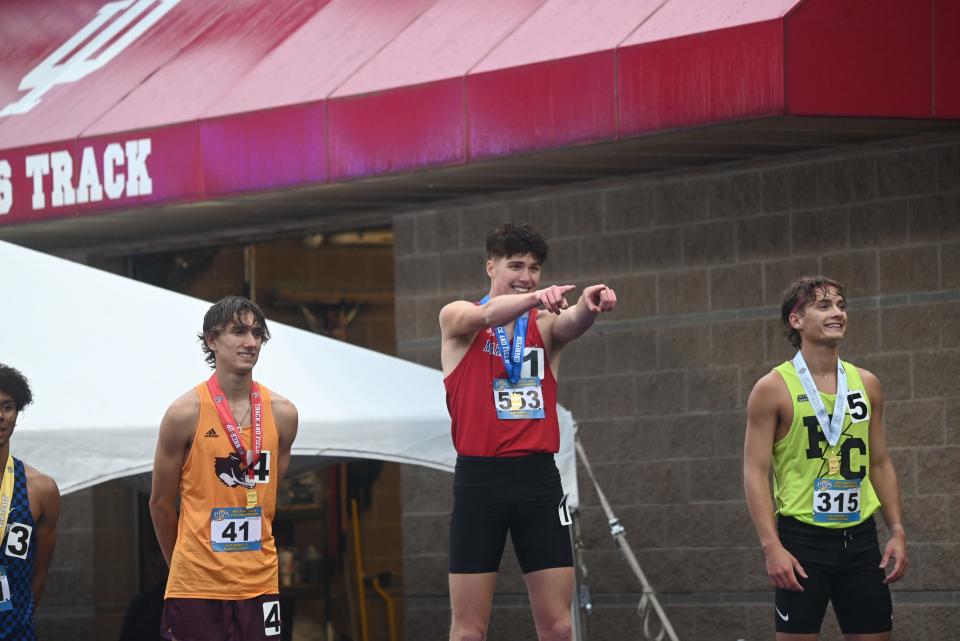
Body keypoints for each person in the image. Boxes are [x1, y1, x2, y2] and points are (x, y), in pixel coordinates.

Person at [439, 223, 617, 641]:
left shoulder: (544, 327)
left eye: (534, 269)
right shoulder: (458, 317)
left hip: (538, 480)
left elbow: (570, 321)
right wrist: (534, 297)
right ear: (490, 266)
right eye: (515, 265)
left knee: (558, 626)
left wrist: (589, 305)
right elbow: (486, 314)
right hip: (479, 481)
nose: (526, 276)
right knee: (468, 632)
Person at [743, 276, 908, 640]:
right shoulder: (772, 388)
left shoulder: (866, 383)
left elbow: (880, 462)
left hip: (861, 541)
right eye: (824, 306)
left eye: (841, 305)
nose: (837, 313)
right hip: (802, 543)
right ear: (795, 320)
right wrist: (771, 547)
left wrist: (896, 530)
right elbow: (755, 472)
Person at [150, 296, 298, 641]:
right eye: (238, 331)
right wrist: (184, 569)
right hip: (196, 584)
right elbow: (160, 504)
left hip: (259, 581)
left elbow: (266, 499)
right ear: (211, 340)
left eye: (257, 333)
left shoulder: (283, 414)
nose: (250, 342)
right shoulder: (184, 413)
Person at [0, 364, 60, 641]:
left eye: (8, 407)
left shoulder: (41, 489)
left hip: (15, 631)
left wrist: (19, 618)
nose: (0, 416)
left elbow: (40, 571)